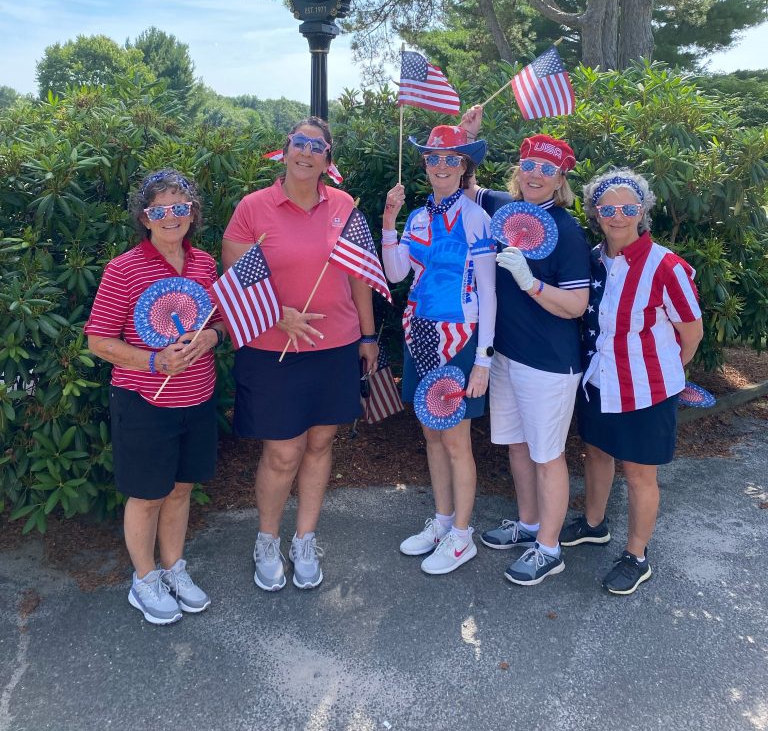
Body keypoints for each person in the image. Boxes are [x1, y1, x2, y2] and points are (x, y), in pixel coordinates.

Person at [222, 117, 379, 592]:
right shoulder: (253, 208)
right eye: (299, 143)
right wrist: (279, 315)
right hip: (275, 348)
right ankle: (267, 539)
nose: (307, 152)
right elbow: (236, 278)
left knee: (319, 444)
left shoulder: (345, 205)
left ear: (327, 160)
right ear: (285, 149)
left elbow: (359, 276)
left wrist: (369, 338)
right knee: (283, 452)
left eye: (318, 146)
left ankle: (305, 538)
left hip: (335, 347)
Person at [86, 169, 226, 625]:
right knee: (147, 496)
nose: (172, 217)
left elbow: (222, 322)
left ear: (193, 213)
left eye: (180, 207)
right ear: (145, 217)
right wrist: (153, 362)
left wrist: (212, 337)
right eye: (160, 210)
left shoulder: (205, 264)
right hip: (145, 403)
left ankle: (174, 568)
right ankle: (144, 579)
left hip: (198, 399)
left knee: (181, 490)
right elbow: (99, 341)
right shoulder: (123, 269)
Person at [461, 107, 591, 586]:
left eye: (547, 170)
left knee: (546, 454)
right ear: (520, 172)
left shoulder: (569, 230)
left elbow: (576, 305)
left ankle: (550, 548)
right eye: (530, 166)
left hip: (550, 364)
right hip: (506, 357)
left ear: (559, 180)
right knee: (516, 447)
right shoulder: (500, 207)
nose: (536, 175)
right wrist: (467, 139)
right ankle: (530, 524)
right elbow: (460, 185)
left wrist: (531, 283)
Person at [560, 168, 703, 595]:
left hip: (646, 390)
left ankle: (637, 556)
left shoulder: (666, 266)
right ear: (595, 213)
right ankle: (594, 523)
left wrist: (663, 373)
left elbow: (691, 333)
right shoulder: (591, 259)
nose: (618, 216)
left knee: (640, 475)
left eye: (628, 208)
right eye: (608, 208)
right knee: (597, 455)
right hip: (599, 382)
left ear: (642, 211)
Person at [383, 125, 496, 575]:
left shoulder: (477, 219)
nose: (442, 165)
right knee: (431, 432)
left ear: (464, 165)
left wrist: (483, 359)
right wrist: (389, 222)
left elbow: (489, 294)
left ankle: (463, 536)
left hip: (462, 337)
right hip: (419, 332)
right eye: (434, 157)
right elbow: (395, 275)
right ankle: (443, 521)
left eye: (452, 158)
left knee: (456, 440)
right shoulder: (417, 217)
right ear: (425, 164)